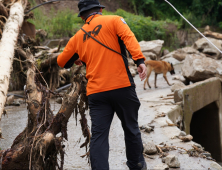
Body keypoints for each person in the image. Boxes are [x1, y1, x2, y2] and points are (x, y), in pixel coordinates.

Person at [57, 0, 147, 169]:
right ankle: (137, 165)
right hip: (122, 87)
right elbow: (129, 39)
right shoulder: (114, 20)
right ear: (99, 9)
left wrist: (77, 58)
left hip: (96, 93)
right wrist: (139, 60)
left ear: (82, 16)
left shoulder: (77, 37)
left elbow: (62, 61)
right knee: (131, 128)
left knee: (99, 136)